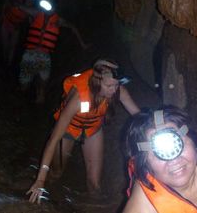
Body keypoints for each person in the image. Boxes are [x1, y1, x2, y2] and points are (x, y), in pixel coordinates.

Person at [27, 58, 140, 204]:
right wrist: (40, 179)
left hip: (92, 130)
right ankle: (50, 200)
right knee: (55, 173)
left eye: (116, 85)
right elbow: (54, 139)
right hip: (69, 130)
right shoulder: (79, 99)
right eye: (109, 85)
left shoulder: (117, 90)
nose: (113, 90)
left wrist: (159, 123)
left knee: (94, 185)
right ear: (97, 81)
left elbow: (138, 115)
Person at [18, 0, 90, 103]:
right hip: (30, 53)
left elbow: (73, 28)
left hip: (44, 55)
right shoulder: (36, 13)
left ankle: (37, 111)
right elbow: (20, 7)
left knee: (42, 86)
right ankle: (19, 104)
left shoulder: (58, 20)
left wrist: (82, 43)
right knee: (24, 84)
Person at [0, 0, 34, 71]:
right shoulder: (18, 1)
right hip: (6, 23)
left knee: (12, 46)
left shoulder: (30, 10)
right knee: (5, 44)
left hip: (16, 27)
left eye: (31, 0)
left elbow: (31, 21)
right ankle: (3, 59)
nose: (30, 1)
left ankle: (8, 65)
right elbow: (9, 3)